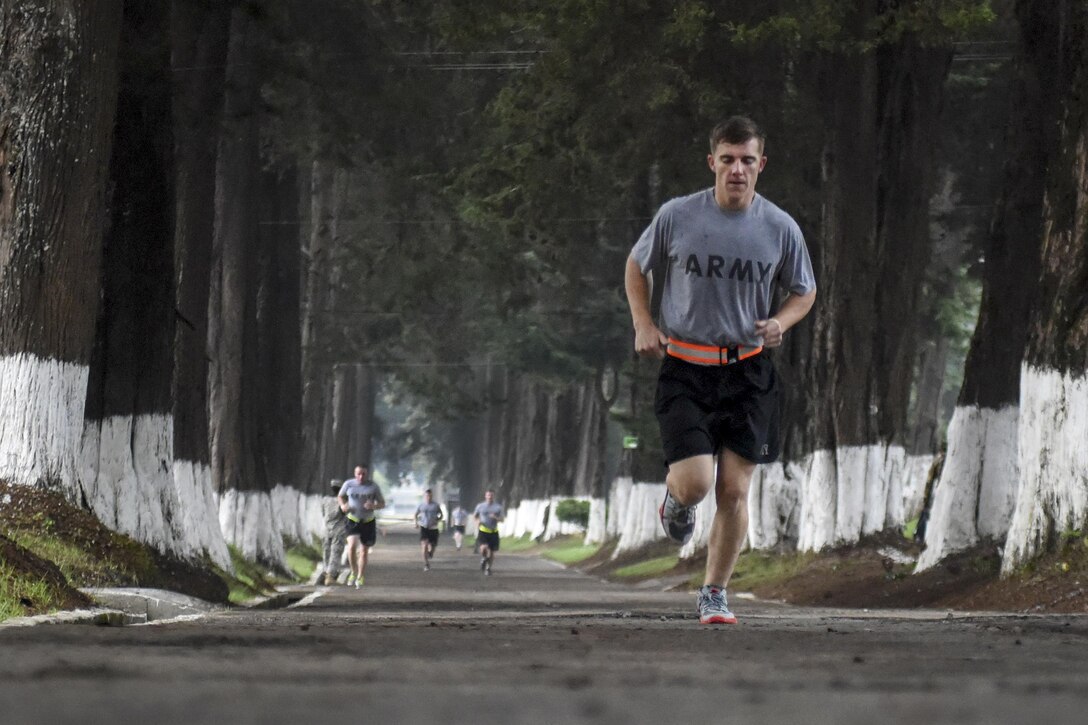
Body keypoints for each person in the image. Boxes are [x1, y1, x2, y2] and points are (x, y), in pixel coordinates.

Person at [624, 116, 816, 625]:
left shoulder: (780, 227)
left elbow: (805, 291)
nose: (737, 169)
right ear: (712, 162)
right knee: (696, 485)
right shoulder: (677, 216)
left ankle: (714, 593)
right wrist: (644, 322)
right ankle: (676, 502)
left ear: (761, 165)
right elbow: (635, 264)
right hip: (686, 367)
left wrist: (781, 322)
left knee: (735, 489)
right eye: (727, 159)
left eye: (747, 160)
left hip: (749, 372)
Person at [337, 464, 385, 588]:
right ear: (355, 473)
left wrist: (373, 506)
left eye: (363, 474)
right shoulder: (349, 484)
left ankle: (360, 576)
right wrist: (343, 506)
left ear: (367, 474)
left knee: (364, 551)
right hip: (352, 520)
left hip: (368, 521)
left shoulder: (373, 487)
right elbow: (340, 496)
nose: (361, 476)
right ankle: (353, 571)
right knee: (351, 547)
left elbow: (382, 503)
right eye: (358, 473)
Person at [319, 478, 349, 585]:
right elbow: (347, 513)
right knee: (335, 553)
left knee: (326, 552)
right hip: (339, 531)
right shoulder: (344, 502)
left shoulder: (325, 499)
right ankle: (330, 576)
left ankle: (325, 572)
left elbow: (323, 513)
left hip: (326, 529)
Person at [473, 490, 505, 576]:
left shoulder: (498, 507)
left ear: (493, 496)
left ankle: (488, 568)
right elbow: (475, 516)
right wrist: (477, 522)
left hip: (493, 532)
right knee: (484, 548)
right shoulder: (480, 506)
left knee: (492, 552)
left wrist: (495, 517)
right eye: (488, 495)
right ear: (485, 496)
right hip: (483, 531)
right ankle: (483, 558)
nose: (490, 497)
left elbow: (502, 519)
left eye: (491, 495)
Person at [415, 489, 443, 571]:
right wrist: (416, 523)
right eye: (427, 496)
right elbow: (416, 514)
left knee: (433, 546)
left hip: (433, 528)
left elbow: (441, 515)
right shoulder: (421, 505)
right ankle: (426, 564)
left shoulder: (436, 505)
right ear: (425, 496)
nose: (428, 497)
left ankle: (431, 553)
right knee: (424, 546)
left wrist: (437, 519)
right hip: (424, 527)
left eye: (430, 496)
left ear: (432, 496)